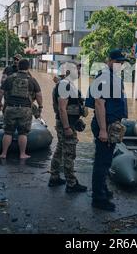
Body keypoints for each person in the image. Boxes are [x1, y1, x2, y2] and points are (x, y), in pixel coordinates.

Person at [86, 49, 129, 212]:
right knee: (102, 162)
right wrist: (103, 130)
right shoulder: (105, 77)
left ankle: (102, 189)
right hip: (105, 124)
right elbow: (99, 103)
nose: (120, 64)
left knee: (105, 160)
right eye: (117, 61)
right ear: (109, 61)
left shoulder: (112, 77)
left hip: (110, 124)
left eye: (122, 62)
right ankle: (98, 198)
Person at [48, 61, 88, 193]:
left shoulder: (68, 85)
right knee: (69, 154)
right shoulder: (64, 85)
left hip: (68, 123)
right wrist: (66, 128)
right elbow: (62, 108)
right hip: (66, 125)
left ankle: (54, 177)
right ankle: (71, 183)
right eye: (77, 70)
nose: (80, 73)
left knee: (60, 150)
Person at [0, 59, 43, 159]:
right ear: (28, 67)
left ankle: (3, 154)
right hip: (25, 110)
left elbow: (0, 92)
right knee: (23, 133)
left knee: (8, 132)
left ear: (18, 67)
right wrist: (40, 106)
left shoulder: (10, 78)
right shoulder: (32, 80)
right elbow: (39, 95)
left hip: (10, 108)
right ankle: (22, 154)